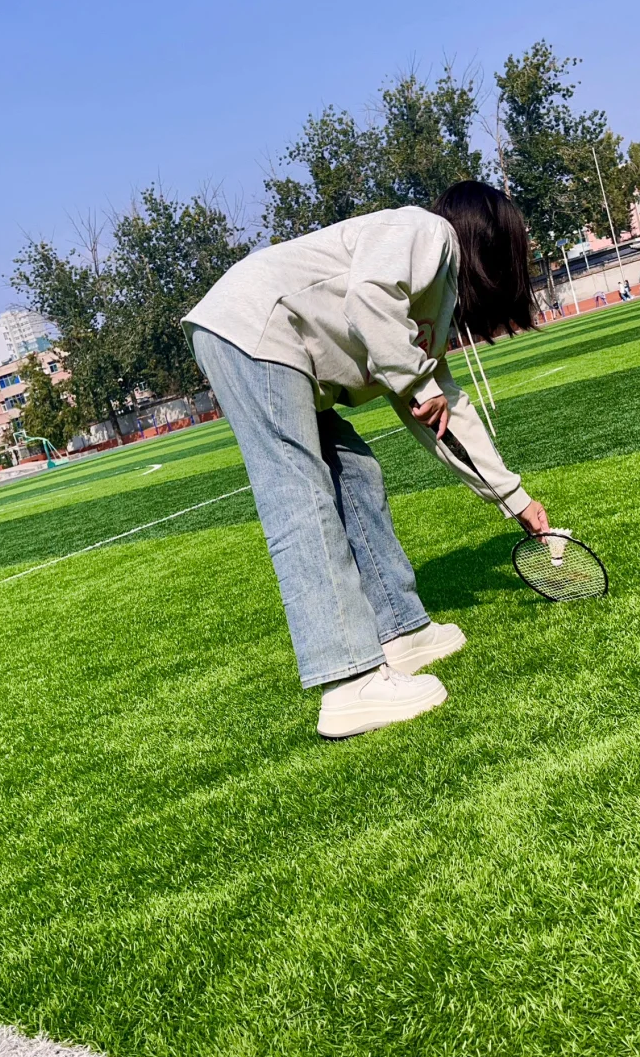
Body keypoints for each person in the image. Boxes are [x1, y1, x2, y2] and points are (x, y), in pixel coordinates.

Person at [182, 181, 550, 739]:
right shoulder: (427, 232)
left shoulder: (435, 301)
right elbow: (368, 297)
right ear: (489, 239)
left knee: (354, 472)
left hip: (279, 342)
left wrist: (515, 500)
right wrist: (414, 382)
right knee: (300, 493)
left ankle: (399, 630)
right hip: (254, 329)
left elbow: (444, 409)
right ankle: (348, 682)